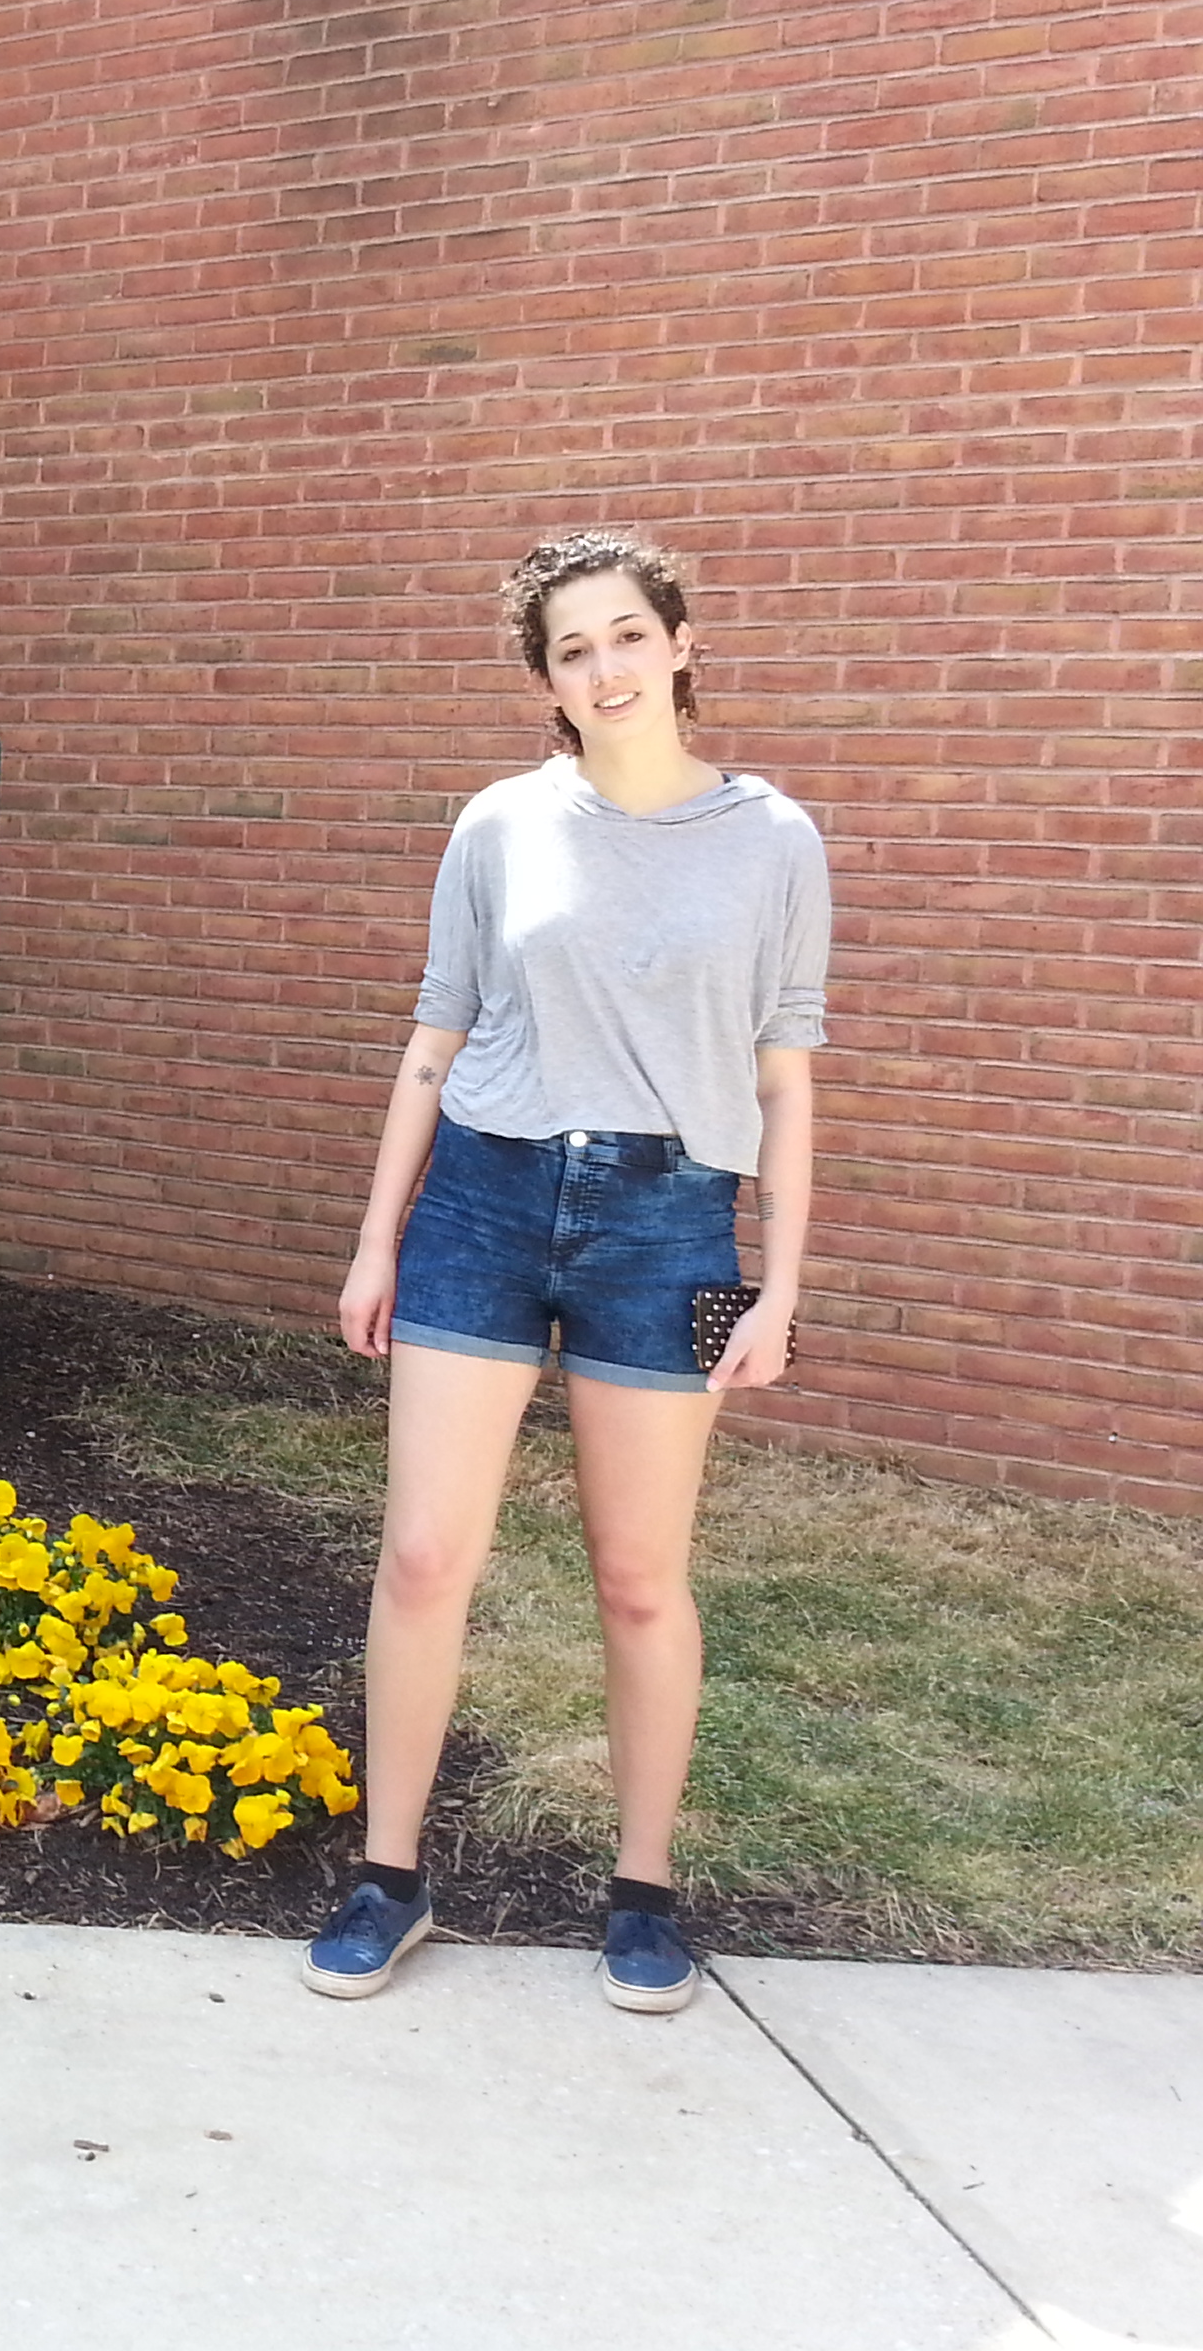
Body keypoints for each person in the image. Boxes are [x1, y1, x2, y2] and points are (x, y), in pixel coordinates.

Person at [312, 533, 827, 2015]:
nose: (604, 669)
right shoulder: (499, 823)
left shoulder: (772, 837)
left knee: (641, 1579)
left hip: (673, 1225)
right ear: (546, 679)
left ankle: (643, 1893)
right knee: (424, 1557)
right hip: (483, 1200)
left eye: (626, 636)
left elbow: (785, 1075)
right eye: (572, 650)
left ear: (680, 643)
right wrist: (378, 1238)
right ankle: (390, 1877)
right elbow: (437, 1038)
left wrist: (781, 1288)